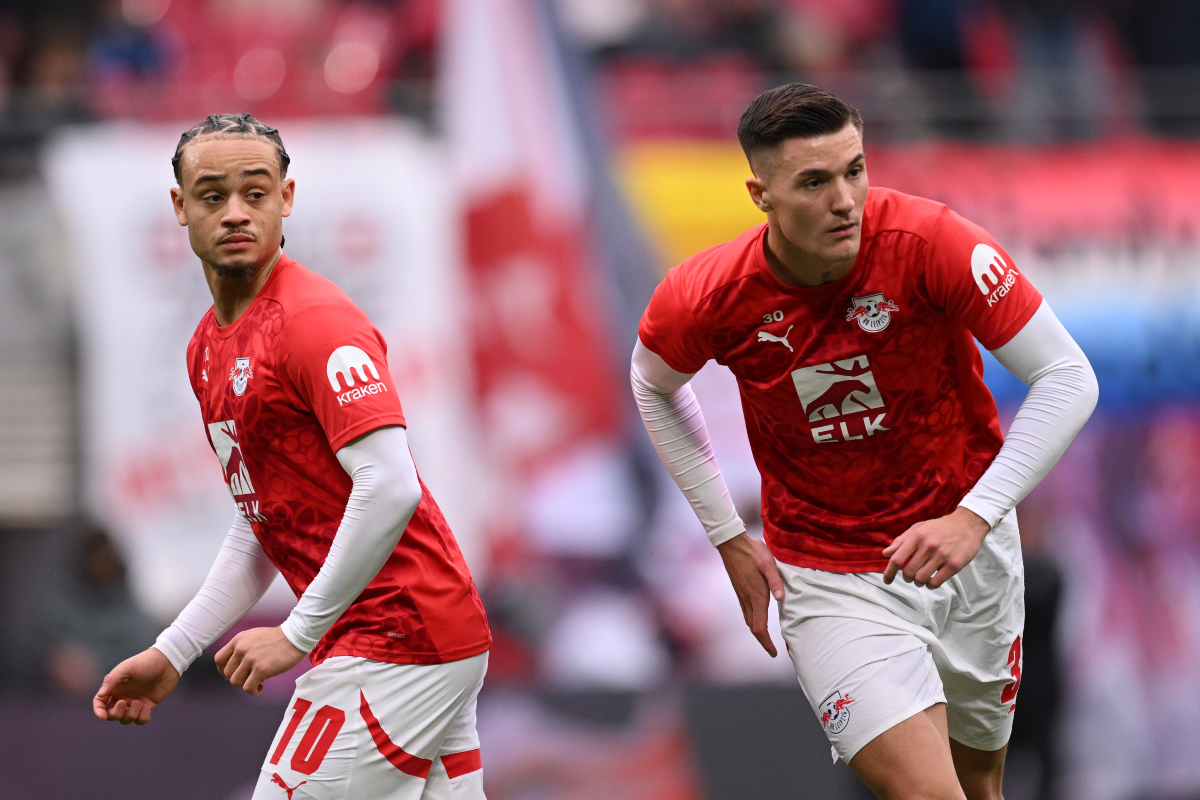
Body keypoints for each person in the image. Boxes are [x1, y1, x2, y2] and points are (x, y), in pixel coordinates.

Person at [631, 84, 1097, 800]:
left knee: (980, 789)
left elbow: (1068, 377)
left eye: (854, 169)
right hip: (830, 576)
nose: (844, 200)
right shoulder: (709, 295)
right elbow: (652, 385)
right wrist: (727, 536)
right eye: (813, 182)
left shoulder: (933, 243)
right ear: (761, 195)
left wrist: (973, 516)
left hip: (966, 560)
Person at [92, 113, 491, 800]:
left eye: (256, 192)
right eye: (213, 196)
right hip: (415, 635)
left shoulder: (314, 323)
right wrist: (173, 652)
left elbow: (390, 484)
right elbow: (262, 519)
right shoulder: (207, 347)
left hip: (396, 636)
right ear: (180, 208)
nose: (237, 212)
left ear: (287, 198)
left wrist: (297, 633)